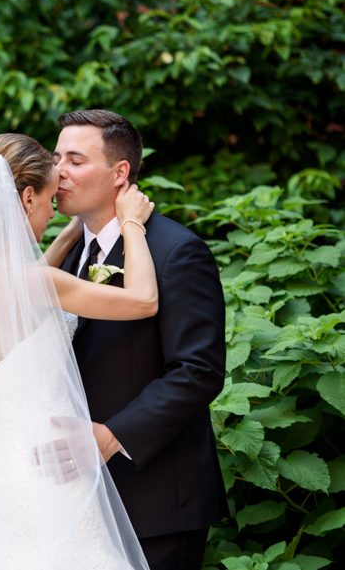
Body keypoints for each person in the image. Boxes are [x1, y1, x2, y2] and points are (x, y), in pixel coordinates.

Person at [0, 133, 157, 570]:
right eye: (52, 202)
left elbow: (19, 292)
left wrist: (70, 235)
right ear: (27, 197)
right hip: (49, 467)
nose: (55, 214)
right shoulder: (39, 284)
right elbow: (144, 300)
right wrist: (131, 222)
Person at [53, 110, 228, 570]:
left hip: (155, 501)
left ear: (120, 173)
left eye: (75, 159)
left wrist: (110, 437)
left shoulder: (175, 251)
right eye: (56, 159)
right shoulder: (68, 252)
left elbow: (198, 371)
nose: (59, 172)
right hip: (76, 500)